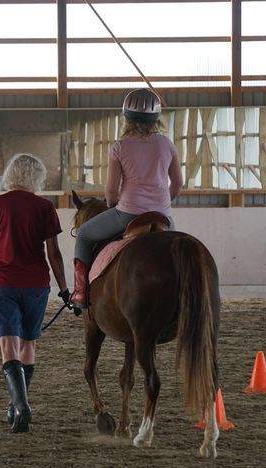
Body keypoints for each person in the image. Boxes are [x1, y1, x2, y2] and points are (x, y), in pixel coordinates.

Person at [0, 153, 70, 434]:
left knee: (7, 342)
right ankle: (18, 404)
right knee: (28, 343)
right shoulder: (45, 208)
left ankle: (19, 405)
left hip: (2, 282)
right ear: (36, 177)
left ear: (11, 175)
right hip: (36, 284)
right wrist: (64, 289)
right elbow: (54, 254)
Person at [70, 88, 184, 309]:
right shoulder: (167, 145)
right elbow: (178, 183)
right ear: (156, 118)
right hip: (163, 216)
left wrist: (112, 205)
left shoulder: (119, 147)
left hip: (127, 213)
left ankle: (81, 294)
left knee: (83, 235)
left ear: (126, 118)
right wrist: (163, 203)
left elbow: (111, 191)